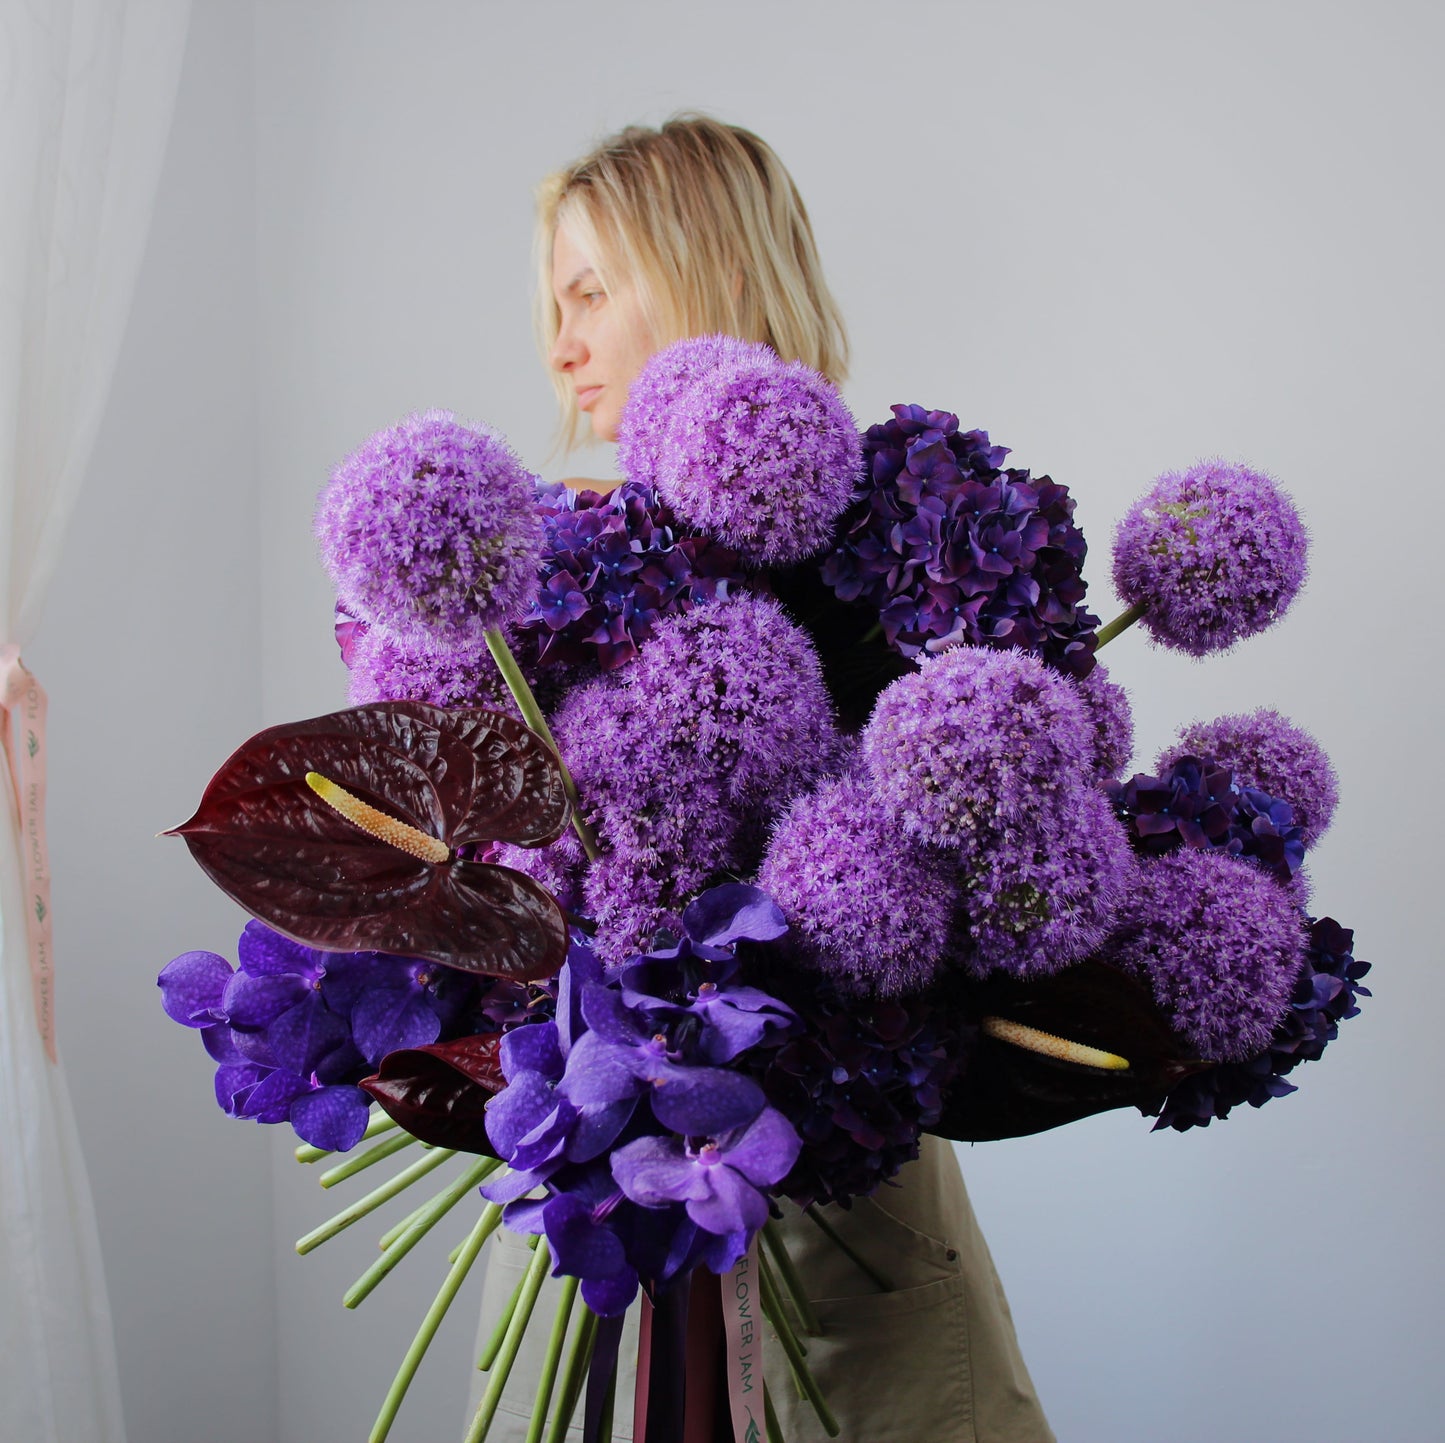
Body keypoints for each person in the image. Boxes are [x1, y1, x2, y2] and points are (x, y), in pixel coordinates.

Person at [470, 115, 1056, 1443]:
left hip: (837, 1221)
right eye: (549, 304)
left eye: (590, 290)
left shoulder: (905, 551)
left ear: (711, 274)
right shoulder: (536, 582)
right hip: (592, 1210)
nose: (558, 343)